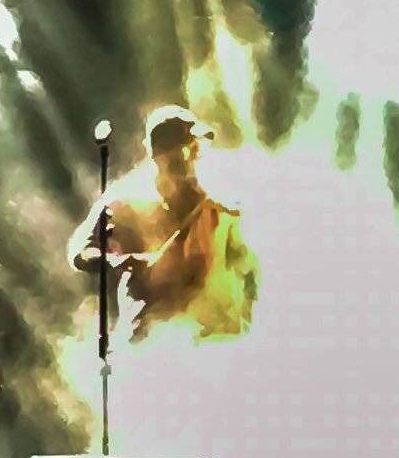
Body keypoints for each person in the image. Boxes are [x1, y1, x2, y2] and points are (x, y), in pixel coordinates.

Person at [69, 105, 258, 343]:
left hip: (215, 335)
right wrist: (121, 261)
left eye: (197, 148)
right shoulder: (128, 200)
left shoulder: (211, 203)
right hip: (155, 337)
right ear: (160, 156)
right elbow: (83, 252)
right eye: (186, 150)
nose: (194, 157)